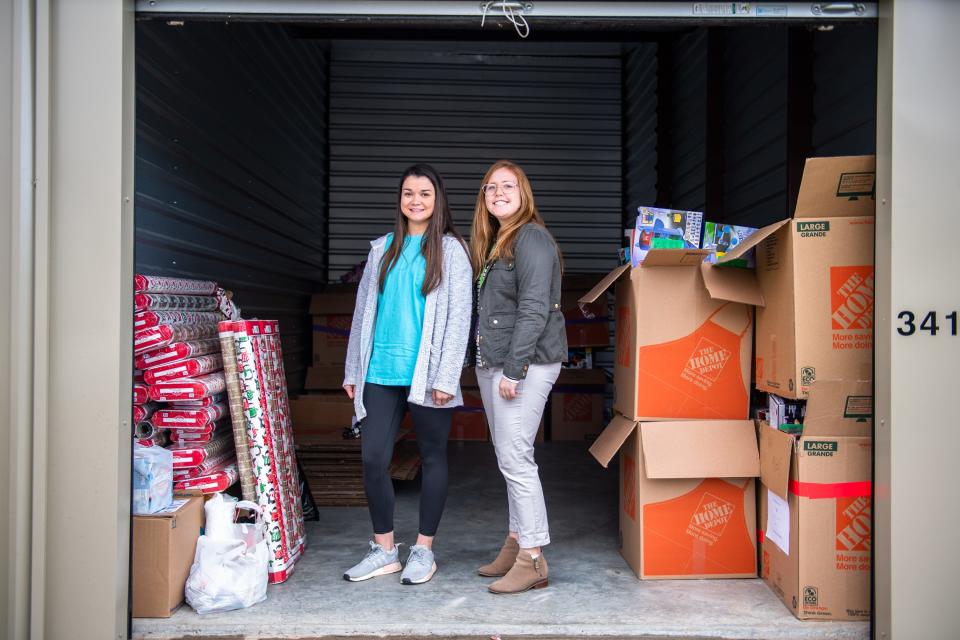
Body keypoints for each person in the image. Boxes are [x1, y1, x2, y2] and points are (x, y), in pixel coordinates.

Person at [342, 163, 472, 585]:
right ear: (400, 200)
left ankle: (423, 551)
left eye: (425, 194)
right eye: (408, 193)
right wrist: (352, 370)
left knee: (433, 457)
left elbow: (459, 319)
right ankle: (384, 551)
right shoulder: (382, 248)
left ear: (438, 201)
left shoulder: (452, 251)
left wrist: (445, 378)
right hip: (379, 370)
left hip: (429, 373)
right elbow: (363, 314)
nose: (416, 201)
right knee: (373, 458)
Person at [469, 160, 567, 594]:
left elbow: (534, 307)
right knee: (508, 455)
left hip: (524, 364)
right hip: (495, 362)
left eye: (508, 186)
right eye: (491, 188)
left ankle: (533, 558)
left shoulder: (531, 238)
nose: (499, 193)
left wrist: (514, 369)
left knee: (515, 458)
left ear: (524, 192)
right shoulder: (497, 242)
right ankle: (515, 542)